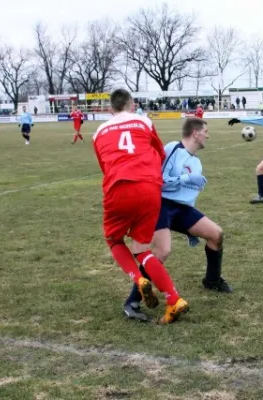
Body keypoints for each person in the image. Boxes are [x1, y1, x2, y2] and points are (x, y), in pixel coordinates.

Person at [92, 88, 189, 325]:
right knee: (143, 250)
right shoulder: (144, 121)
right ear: (132, 104)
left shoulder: (99, 132)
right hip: (149, 188)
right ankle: (173, 299)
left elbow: (105, 165)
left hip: (119, 187)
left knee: (114, 240)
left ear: (110, 109)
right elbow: (158, 152)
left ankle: (138, 279)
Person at [123, 117, 232, 321]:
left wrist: (190, 230)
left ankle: (212, 280)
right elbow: (160, 182)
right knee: (162, 252)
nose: (208, 135)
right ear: (195, 133)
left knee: (216, 234)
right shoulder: (173, 148)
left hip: (182, 210)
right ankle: (132, 301)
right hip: (161, 204)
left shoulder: (196, 162)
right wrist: (186, 178)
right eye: (206, 131)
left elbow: (187, 195)